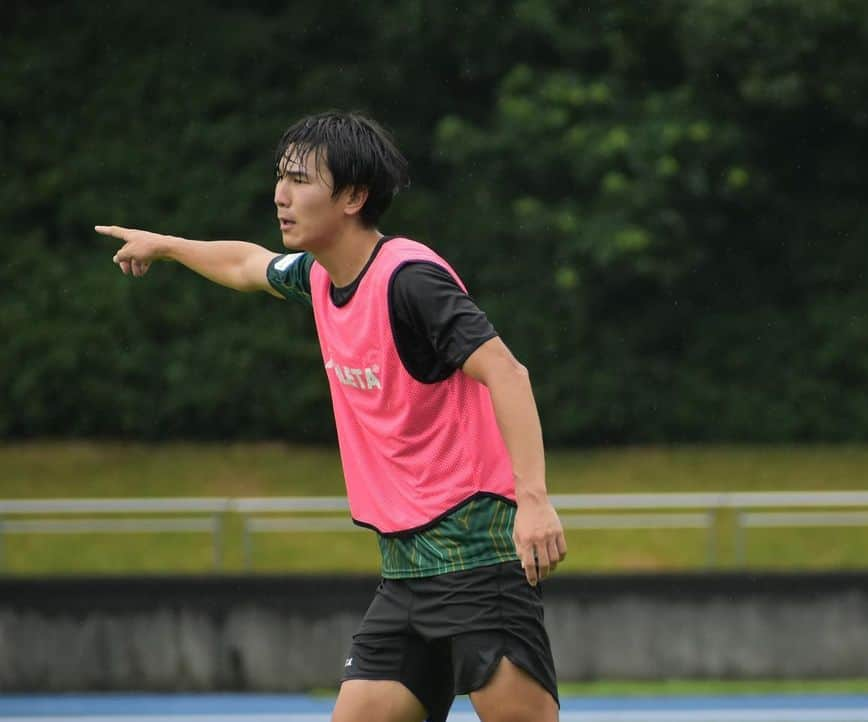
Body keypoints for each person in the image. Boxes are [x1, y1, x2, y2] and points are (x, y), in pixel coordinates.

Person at [97, 110, 567, 722]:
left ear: (352, 196)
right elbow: (247, 265)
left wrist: (533, 500)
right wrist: (166, 246)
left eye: (299, 180)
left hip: (475, 556)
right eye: (280, 177)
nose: (279, 194)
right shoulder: (322, 277)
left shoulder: (410, 280)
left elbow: (507, 373)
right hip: (404, 568)